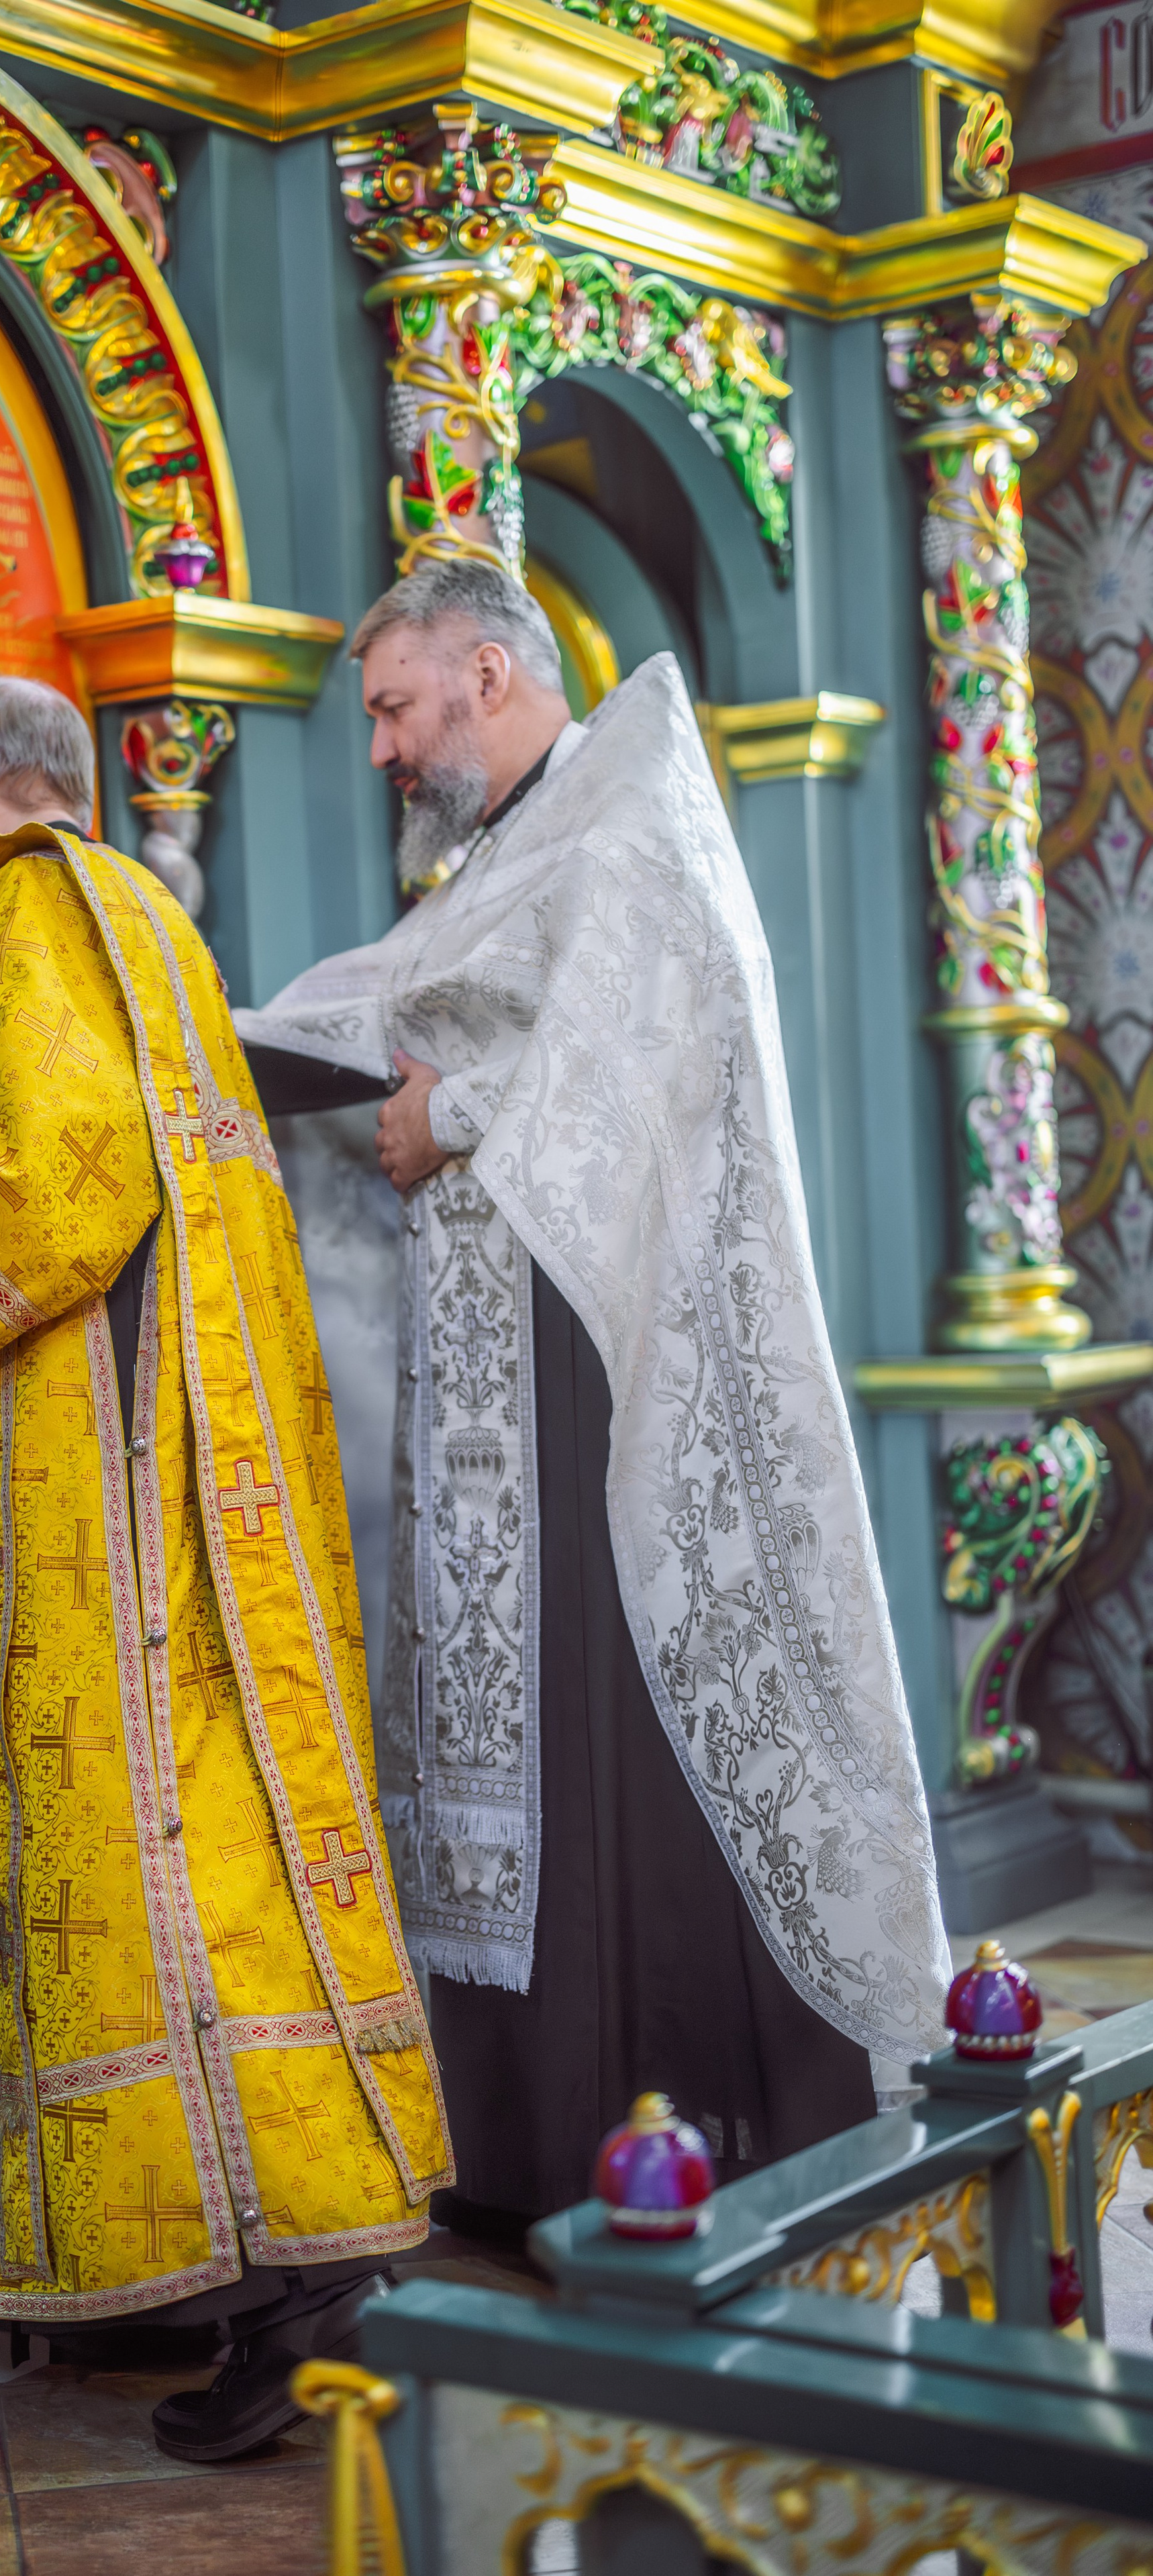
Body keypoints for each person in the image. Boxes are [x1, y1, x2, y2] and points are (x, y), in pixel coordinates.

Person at [236, 560, 950, 2234]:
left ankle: (663, 2126)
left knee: (622, 1716)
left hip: (605, 1364)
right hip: (499, 1373)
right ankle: (520, 2142)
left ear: (485, 673)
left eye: (398, 712)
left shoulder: (631, 813)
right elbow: (394, 1008)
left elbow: (660, 1039)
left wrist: (461, 1108)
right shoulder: (510, 847)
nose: (383, 753)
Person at [0, 672, 452, 2459]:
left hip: (107, 1505)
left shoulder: (31, 909)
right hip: (188, 1477)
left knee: (154, 1874)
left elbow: (41, 1197)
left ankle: (275, 2290)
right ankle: (293, 2270)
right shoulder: (146, 910)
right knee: (219, 1867)